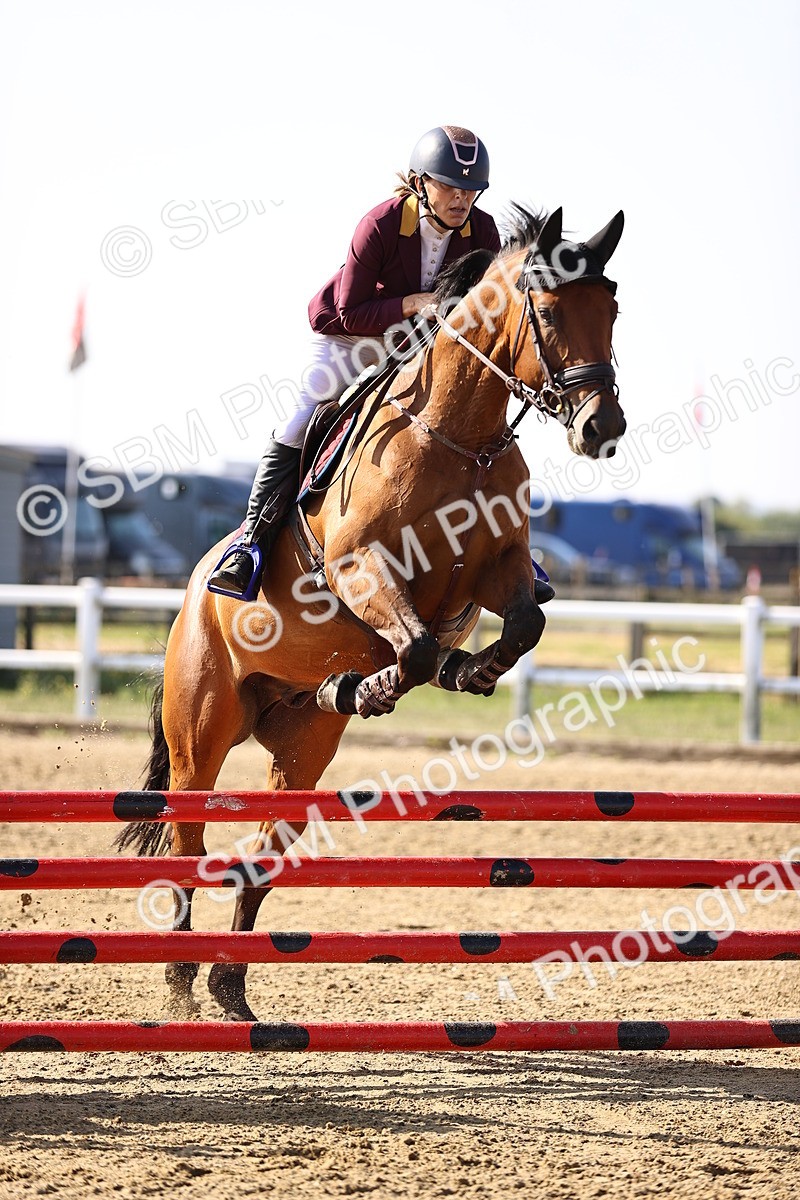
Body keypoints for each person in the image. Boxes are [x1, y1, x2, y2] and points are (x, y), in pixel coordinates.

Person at [208, 125, 501, 599]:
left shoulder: (484, 232)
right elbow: (350, 309)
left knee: (471, 416)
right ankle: (250, 543)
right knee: (303, 416)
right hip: (352, 334)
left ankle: (508, 549)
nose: (460, 198)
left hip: (421, 340)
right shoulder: (380, 223)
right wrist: (413, 303)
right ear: (420, 182)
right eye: (448, 185)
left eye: (470, 190)